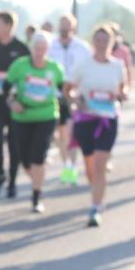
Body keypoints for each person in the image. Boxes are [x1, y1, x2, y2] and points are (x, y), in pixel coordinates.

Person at [63, 25, 129, 227]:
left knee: (101, 164)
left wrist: (122, 95)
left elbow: (122, 87)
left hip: (108, 118)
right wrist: (76, 101)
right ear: (93, 42)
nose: (101, 44)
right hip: (86, 119)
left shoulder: (117, 65)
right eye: (98, 40)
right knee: (90, 166)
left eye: (105, 40)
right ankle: (97, 192)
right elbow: (68, 89)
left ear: (111, 43)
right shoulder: (83, 65)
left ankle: (94, 207)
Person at [6, 31, 65, 213]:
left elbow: (62, 91)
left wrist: (70, 100)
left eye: (43, 49)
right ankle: (38, 181)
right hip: (22, 116)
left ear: (47, 50)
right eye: (36, 48)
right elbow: (7, 89)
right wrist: (13, 102)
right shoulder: (19, 66)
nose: (39, 52)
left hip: (46, 115)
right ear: (31, 48)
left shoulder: (55, 68)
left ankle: (36, 195)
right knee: (25, 160)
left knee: (38, 157)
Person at [0, 10, 29, 198]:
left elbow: (29, 73)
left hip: (16, 104)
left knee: (14, 144)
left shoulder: (22, 49)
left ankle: (12, 181)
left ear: (9, 26)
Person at [49, 14, 92, 187]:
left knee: (71, 132)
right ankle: (66, 163)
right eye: (62, 24)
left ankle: (71, 167)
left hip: (75, 95)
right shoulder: (51, 47)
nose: (65, 28)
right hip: (55, 95)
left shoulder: (82, 47)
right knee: (61, 134)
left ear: (73, 28)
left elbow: (89, 68)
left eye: (68, 25)